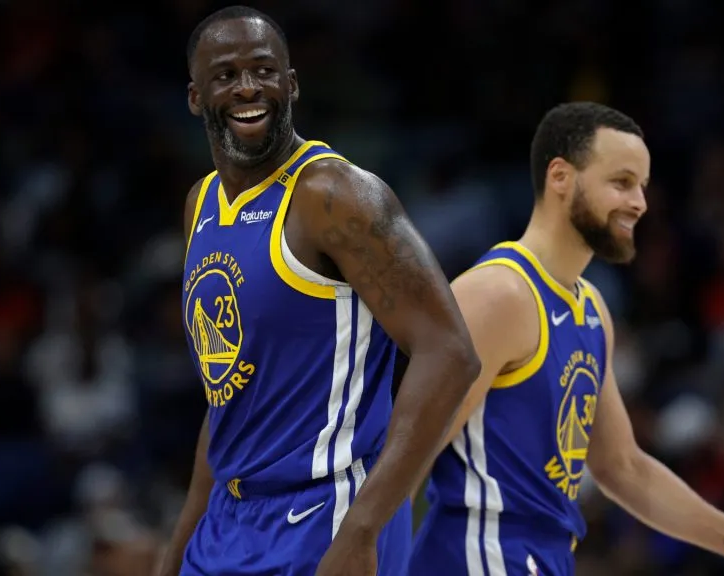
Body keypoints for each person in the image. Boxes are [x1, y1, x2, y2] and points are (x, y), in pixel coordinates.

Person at [409, 102, 724, 576]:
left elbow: (623, 467)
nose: (639, 202)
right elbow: (405, 456)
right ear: (560, 177)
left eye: (642, 185)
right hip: (476, 557)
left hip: (545, 559)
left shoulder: (592, 310)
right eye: (621, 182)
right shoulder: (499, 295)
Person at [157, 6, 481, 576]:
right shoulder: (201, 205)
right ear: (195, 96)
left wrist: (364, 528)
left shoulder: (334, 196)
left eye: (264, 70)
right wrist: (181, 537)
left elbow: (449, 351)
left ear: (293, 84)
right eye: (226, 75)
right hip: (227, 522)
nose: (248, 87)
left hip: (328, 514)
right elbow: (230, 389)